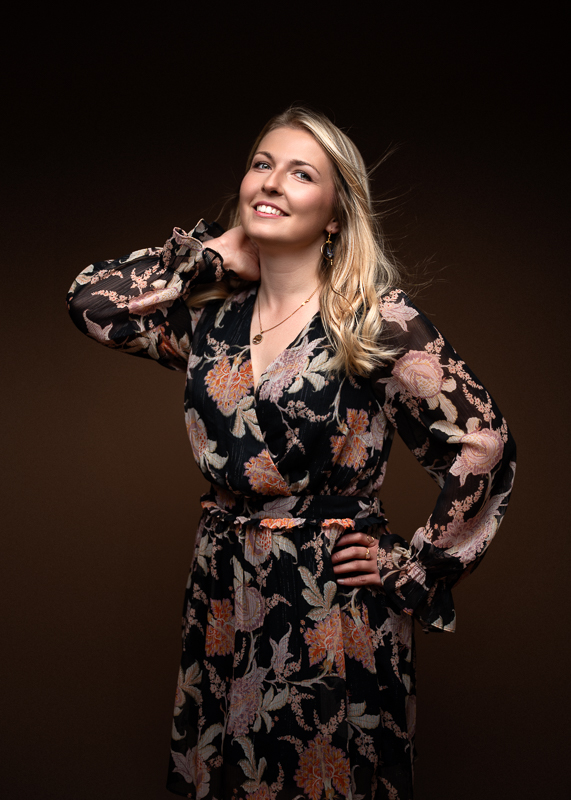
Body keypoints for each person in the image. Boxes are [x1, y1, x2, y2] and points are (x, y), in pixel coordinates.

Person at [67, 107, 516, 800]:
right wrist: (213, 254)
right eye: (262, 164)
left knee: (321, 774)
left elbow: (484, 443)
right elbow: (91, 301)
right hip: (222, 589)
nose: (272, 182)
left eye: (301, 173)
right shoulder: (210, 317)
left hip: (326, 596)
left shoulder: (373, 322)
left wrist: (414, 565)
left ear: (335, 214)